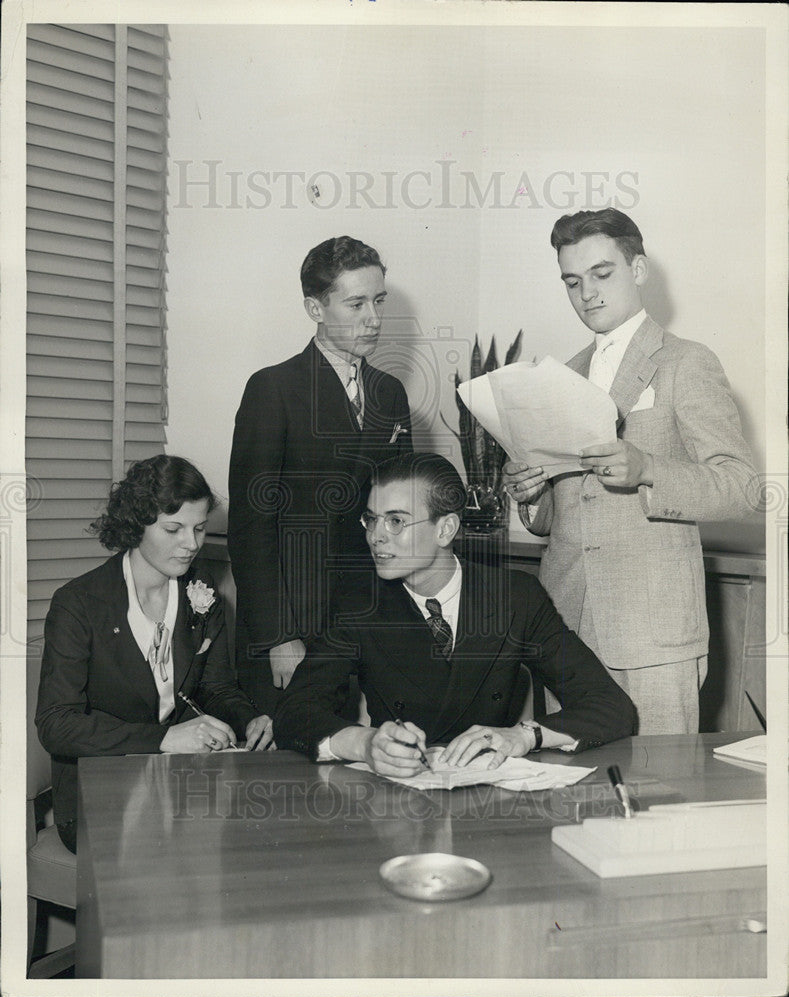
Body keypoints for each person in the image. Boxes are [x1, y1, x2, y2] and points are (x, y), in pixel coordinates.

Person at [504, 209, 757, 735]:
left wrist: (647, 469)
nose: (586, 294)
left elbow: (741, 486)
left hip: (653, 628)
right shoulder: (562, 375)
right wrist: (531, 494)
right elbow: (559, 512)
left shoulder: (686, 362)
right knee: (569, 792)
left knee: (658, 791)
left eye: (602, 274)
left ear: (638, 269)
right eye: (572, 282)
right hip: (567, 621)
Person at [273, 453, 635, 777]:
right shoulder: (358, 603)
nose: (376, 537)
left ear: (445, 529)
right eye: (371, 520)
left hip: (490, 794)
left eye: (396, 521)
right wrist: (365, 743)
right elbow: (295, 710)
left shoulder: (515, 597)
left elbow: (611, 706)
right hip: (398, 798)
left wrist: (524, 736)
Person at [35, 455, 274, 853]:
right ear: (136, 524)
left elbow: (215, 686)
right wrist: (164, 738)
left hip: (177, 786)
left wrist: (250, 720)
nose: (192, 544)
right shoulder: (79, 604)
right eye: (173, 529)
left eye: (199, 529)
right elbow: (56, 725)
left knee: (254, 834)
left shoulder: (201, 589)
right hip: (97, 794)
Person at [228, 235, 412, 716]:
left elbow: (405, 510)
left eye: (378, 301)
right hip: (296, 628)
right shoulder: (273, 389)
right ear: (315, 307)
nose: (372, 318)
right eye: (355, 304)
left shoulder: (389, 392)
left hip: (370, 620)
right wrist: (279, 636)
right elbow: (251, 529)